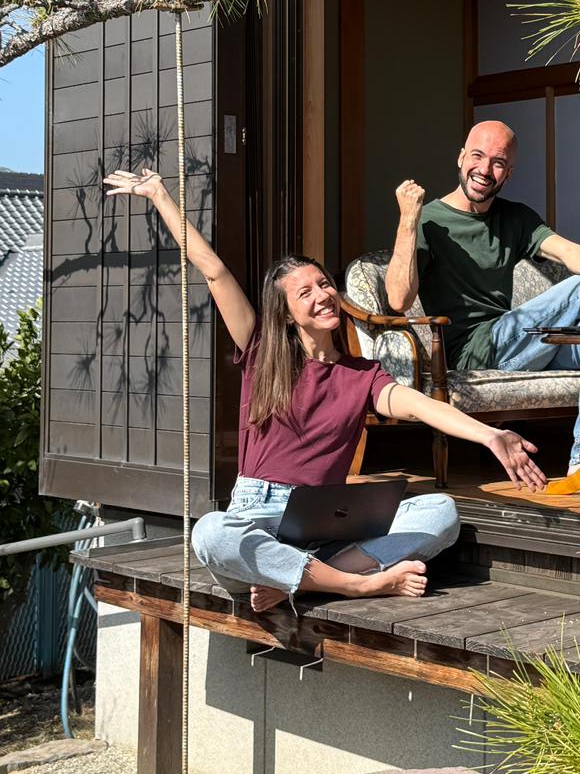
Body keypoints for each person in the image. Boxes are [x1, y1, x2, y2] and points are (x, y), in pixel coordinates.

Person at [103, 167, 546, 614]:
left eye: (324, 284)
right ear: (288, 314)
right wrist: (160, 194)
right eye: (305, 292)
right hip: (256, 520)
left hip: (326, 523)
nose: (323, 295)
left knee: (441, 512)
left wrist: (491, 436)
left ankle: (307, 580)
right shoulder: (261, 351)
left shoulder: (361, 373)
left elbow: (419, 405)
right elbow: (214, 271)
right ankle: (353, 584)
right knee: (212, 534)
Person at [384, 121, 580, 489]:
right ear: (460, 158)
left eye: (498, 162)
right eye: (478, 157)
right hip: (476, 350)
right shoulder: (431, 221)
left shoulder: (514, 217)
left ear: (509, 173)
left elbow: (567, 252)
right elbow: (398, 299)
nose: (485, 170)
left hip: (519, 345)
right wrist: (407, 219)